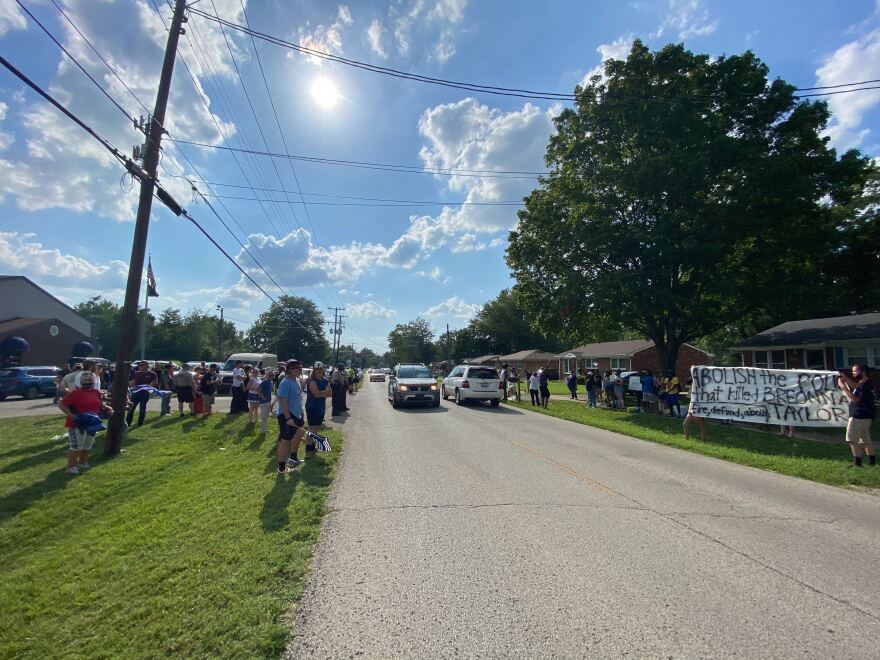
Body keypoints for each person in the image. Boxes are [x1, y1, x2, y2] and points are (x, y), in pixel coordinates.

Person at [59, 371, 111, 474]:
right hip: (77, 423)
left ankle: (83, 463)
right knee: (77, 445)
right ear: (80, 381)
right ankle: (71, 467)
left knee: (88, 444)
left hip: (92, 422)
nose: (88, 382)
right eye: (85, 380)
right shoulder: (75, 393)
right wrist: (72, 415)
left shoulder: (96, 392)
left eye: (90, 380)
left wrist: (107, 407)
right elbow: (62, 405)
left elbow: (99, 404)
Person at [838, 364, 876, 467]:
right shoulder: (866, 382)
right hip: (866, 417)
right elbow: (854, 386)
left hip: (858, 417)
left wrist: (843, 388)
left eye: (855, 372)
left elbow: (855, 399)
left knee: (852, 440)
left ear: (862, 372)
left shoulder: (863, 385)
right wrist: (845, 379)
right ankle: (872, 463)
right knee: (866, 441)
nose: (853, 374)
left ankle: (858, 464)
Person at [276, 360, 307, 473]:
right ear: (288, 369)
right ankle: (282, 468)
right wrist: (288, 418)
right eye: (293, 368)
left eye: (298, 368)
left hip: (297, 414)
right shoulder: (285, 382)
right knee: (285, 440)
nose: (296, 370)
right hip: (287, 415)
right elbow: (282, 401)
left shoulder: (297, 380)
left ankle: (293, 458)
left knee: (299, 433)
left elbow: (298, 396)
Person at [306, 362, 332, 445]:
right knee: (312, 429)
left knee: (316, 428)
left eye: (321, 369)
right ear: (314, 370)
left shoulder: (325, 380)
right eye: (317, 369)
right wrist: (325, 391)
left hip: (321, 407)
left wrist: (322, 392)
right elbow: (316, 395)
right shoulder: (312, 381)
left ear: (323, 369)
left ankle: (312, 445)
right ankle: (309, 451)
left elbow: (330, 394)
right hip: (312, 407)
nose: (319, 371)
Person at [127, 361, 157, 427]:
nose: (141, 367)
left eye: (142, 365)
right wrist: (132, 387)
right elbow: (131, 383)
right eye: (140, 365)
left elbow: (155, 383)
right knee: (131, 408)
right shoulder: (136, 373)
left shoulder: (152, 374)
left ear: (147, 366)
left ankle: (140, 423)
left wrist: (149, 387)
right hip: (135, 393)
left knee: (142, 408)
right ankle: (127, 423)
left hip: (145, 393)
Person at [259, 368, 274, 434]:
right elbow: (258, 389)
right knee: (264, 417)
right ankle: (263, 431)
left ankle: (265, 429)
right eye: (270, 375)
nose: (272, 376)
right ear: (267, 375)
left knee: (266, 416)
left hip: (268, 401)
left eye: (272, 375)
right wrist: (262, 397)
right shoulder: (264, 382)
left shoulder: (270, 382)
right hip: (264, 402)